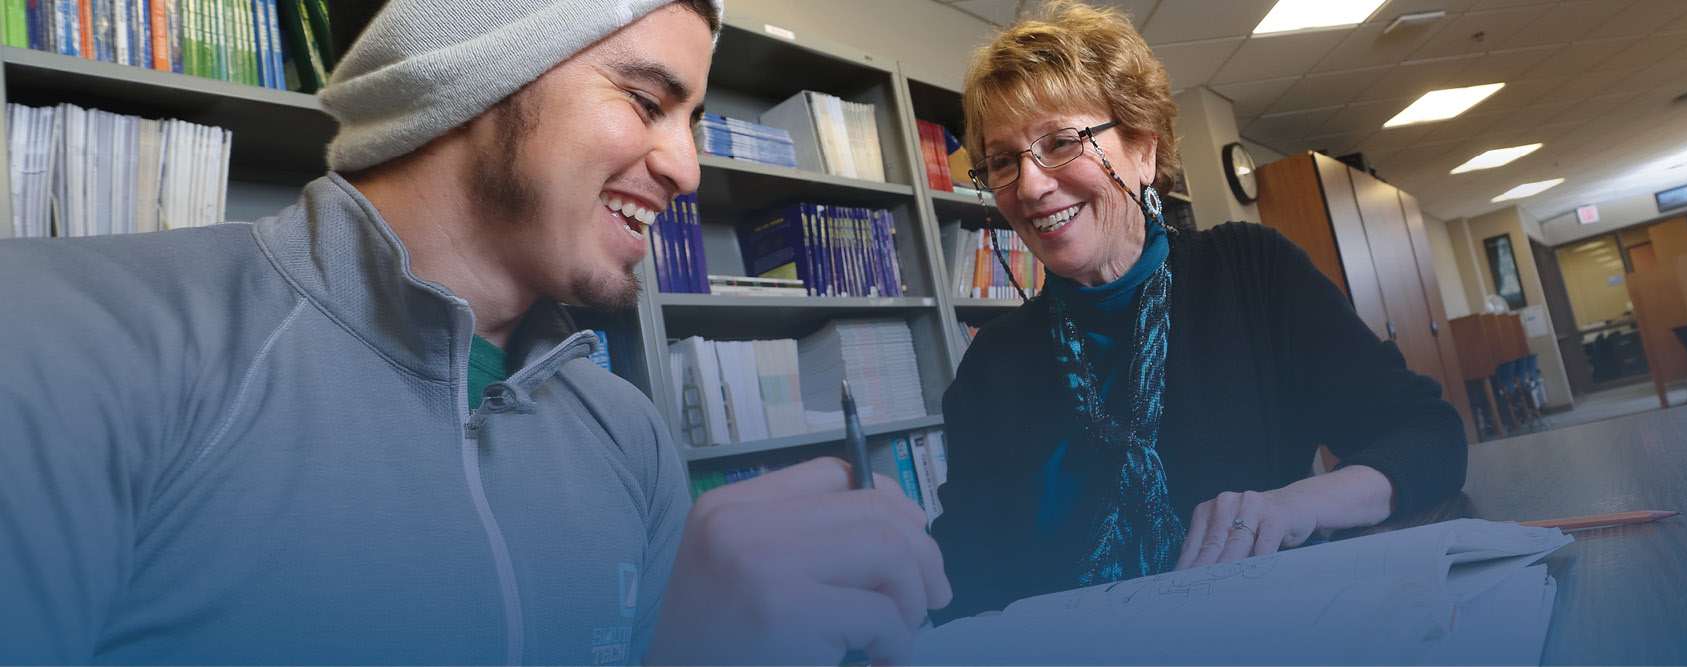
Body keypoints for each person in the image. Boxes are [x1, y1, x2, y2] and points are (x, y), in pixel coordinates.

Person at [0, 0, 945, 663]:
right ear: (480, 77)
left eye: (692, 117)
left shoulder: (628, 436)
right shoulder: (68, 341)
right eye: (649, 102)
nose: (687, 169)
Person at [931, 0, 1469, 621]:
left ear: (1143, 152)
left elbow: (1428, 436)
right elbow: (968, 568)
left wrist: (1295, 505)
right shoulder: (992, 364)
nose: (1028, 186)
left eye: (1060, 143)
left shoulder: (1249, 274)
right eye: (1004, 161)